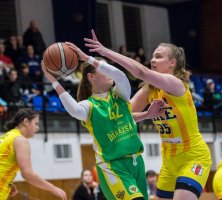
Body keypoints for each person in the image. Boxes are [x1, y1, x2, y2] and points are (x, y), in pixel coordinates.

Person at [85, 30, 212, 200]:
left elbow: (141, 73)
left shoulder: (176, 84)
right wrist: (146, 114)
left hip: (193, 156)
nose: (153, 60)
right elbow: (125, 115)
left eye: (159, 57)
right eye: (152, 56)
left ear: (172, 63)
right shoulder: (149, 90)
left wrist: (104, 52)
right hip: (169, 160)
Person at [42, 42, 166, 200]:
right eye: (103, 69)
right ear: (91, 76)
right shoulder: (89, 106)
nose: (109, 73)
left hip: (136, 162)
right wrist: (54, 81)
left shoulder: (120, 95)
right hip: (112, 166)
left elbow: (120, 76)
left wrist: (88, 58)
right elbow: (73, 110)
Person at [0, 108, 67, 200]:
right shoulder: (20, 140)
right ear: (26, 121)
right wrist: (53, 188)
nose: (38, 128)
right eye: (36, 124)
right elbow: (27, 174)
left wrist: (9, 183)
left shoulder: (6, 136)